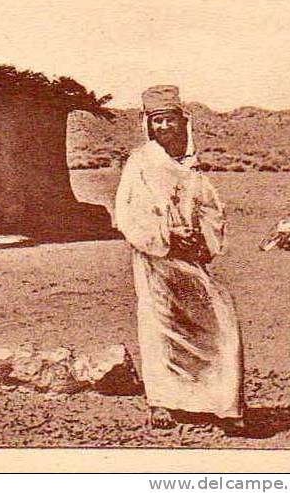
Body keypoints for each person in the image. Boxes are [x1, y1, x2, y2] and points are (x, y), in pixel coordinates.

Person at [114, 85, 244, 431]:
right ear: (148, 125)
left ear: (182, 122)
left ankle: (223, 403)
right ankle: (162, 403)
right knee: (162, 326)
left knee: (218, 320)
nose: (164, 128)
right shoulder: (140, 163)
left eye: (170, 120)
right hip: (156, 259)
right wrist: (167, 235)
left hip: (191, 258)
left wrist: (201, 237)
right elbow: (127, 213)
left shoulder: (190, 165)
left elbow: (211, 209)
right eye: (157, 121)